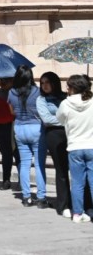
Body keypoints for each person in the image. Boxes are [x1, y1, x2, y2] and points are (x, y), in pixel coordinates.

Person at [56, 74, 93, 223]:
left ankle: (77, 213)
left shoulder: (65, 103)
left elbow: (59, 119)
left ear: (73, 88)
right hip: (91, 145)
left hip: (74, 146)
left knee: (77, 182)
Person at [8, 65, 46, 206]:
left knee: (24, 164)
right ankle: (41, 197)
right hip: (36, 127)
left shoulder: (12, 92)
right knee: (39, 164)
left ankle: (26, 197)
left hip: (19, 127)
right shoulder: (37, 91)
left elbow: (12, 112)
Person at [37, 71, 70, 214]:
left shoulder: (65, 97)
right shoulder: (41, 100)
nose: (44, 86)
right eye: (42, 83)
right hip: (54, 135)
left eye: (47, 82)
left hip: (70, 134)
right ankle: (64, 204)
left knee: (76, 170)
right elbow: (47, 119)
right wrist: (66, 121)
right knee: (61, 170)